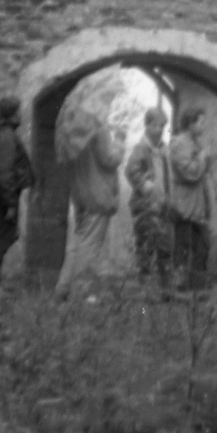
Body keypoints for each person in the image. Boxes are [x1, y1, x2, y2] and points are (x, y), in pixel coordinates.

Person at [54, 116, 124, 301]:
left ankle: (63, 288)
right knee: (90, 245)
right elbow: (109, 160)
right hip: (98, 195)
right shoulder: (98, 130)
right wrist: (119, 141)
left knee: (76, 243)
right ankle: (82, 292)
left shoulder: (70, 131)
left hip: (80, 194)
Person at [0, 96, 35, 293]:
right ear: (12, 114)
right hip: (4, 196)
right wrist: (10, 203)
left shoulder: (3, 134)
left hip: (3, 194)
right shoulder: (6, 137)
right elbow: (4, 171)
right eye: (18, 111)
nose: (21, 114)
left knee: (3, 236)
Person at [168, 107, 217, 291]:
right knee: (184, 247)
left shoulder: (194, 142)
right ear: (190, 123)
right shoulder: (180, 144)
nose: (203, 126)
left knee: (202, 246)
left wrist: (205, 158)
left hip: (196, 205)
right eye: (200, 122)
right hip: (185, 205)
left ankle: (197, 288)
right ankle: (180, 289)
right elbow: (190, 172)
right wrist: (202, 158)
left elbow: (201, 170)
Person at [125, 107, 172, 286]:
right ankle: (144, 287)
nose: (159, 130)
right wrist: (145, 185)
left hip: (162, 206)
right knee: (145, 246)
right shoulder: (142, 148)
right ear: (146, 125)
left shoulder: (164, 149)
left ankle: (165, 289)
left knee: (165, 248)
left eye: (162, 126)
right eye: (155, 125)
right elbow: (131, 170)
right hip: (145, 207)